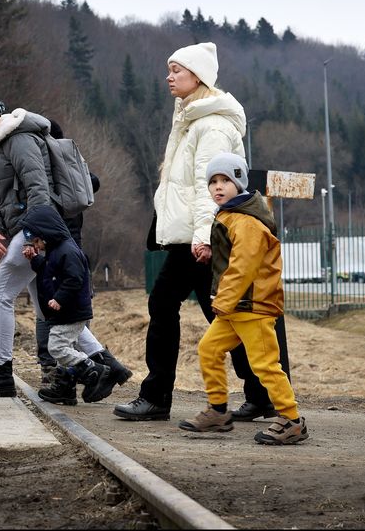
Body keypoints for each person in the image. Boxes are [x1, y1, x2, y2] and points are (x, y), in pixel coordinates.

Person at [114, 41, 289, 422]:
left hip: (203, 239)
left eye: (177, 70)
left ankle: (158, 396)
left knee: (176, 306)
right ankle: (261, 394)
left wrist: (202, 236)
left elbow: (210, 186)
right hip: (195, 238)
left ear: (199, 77)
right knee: (223, 315)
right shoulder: (193, 120)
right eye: (169, 69)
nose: (169, 76)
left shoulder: (210, 126)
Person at [0, 92, 130, 397]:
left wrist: (34, 237)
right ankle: (106, 365)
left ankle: (0, 371)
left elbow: (39, 189)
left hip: (32, 233)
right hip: (24, 232)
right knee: (48, 311)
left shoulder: (19, 139)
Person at [178, 153, 309, 444]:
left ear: (239, 183)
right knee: (209, 350)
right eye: (212, 182)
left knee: (264, 364)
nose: (218, 187)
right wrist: (213, 253)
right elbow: (234, 257)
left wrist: (223, 299)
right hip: (236, 307)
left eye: (225, 180)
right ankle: (218, 412)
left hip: (253, 306)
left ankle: (292, 419)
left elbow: (244, 266)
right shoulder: (231, 216)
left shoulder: (247, 220)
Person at [35, 119, 126, 388]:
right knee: (71, 319)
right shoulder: (70, 167)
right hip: (71, 245)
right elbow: (94, 181)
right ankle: (109, 367)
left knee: (50, 313)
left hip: (60, 249)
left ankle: (59, 371)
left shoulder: (52, 170)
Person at [20, 205, 118, 405]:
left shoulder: (67, 251)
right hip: (64, 313)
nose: (36, 245)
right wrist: (35, 260)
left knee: (56, 347)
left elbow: (74, 279)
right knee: (60, 349)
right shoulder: (55, 251)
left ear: (47, 234)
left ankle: (93, 369)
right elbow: (48, 272)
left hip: (71, 312)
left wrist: (60, 299)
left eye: (37, 240)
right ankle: (65, 387)